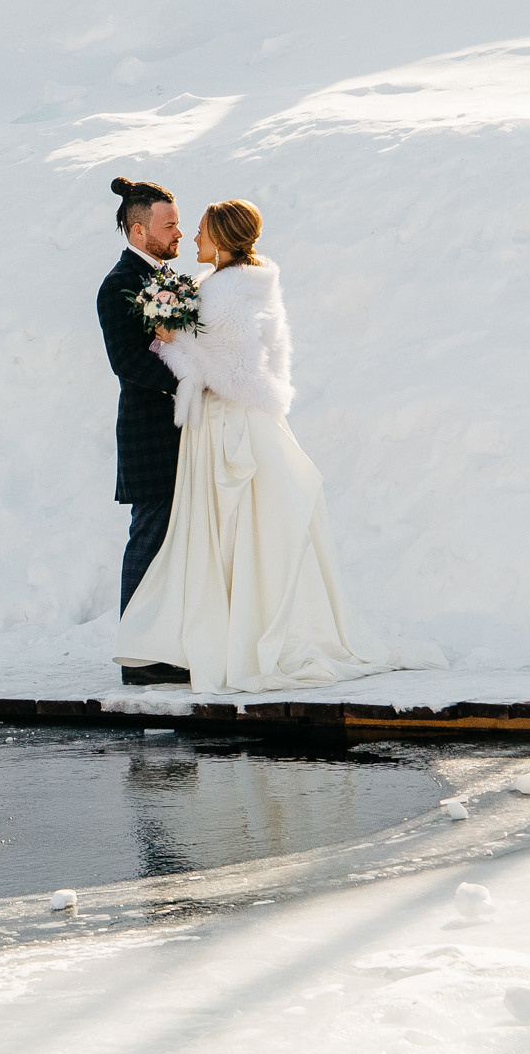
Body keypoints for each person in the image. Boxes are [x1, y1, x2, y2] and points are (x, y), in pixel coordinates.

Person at [114, 199, 444, 693]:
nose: (193, 238)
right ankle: (209, 636)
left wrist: (171, 340)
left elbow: (232, 371)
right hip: (236, 420)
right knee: (238, 537)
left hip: (229, 427)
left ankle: (221, 640)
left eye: (201, 230)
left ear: (222, 240)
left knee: (231, 535)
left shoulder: (225, 293)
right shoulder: (245, 284)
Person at [95, 177, 184, 686]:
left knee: (176, 542)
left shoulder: (170, 277)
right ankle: (139, 658)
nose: (179, 231)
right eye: (168, 224)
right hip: (150, 434)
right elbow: (126, 361)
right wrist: (189, 378)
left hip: (184, 430)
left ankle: (167, 646)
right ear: (138, 230)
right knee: (149, 539)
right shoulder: (119, 284)